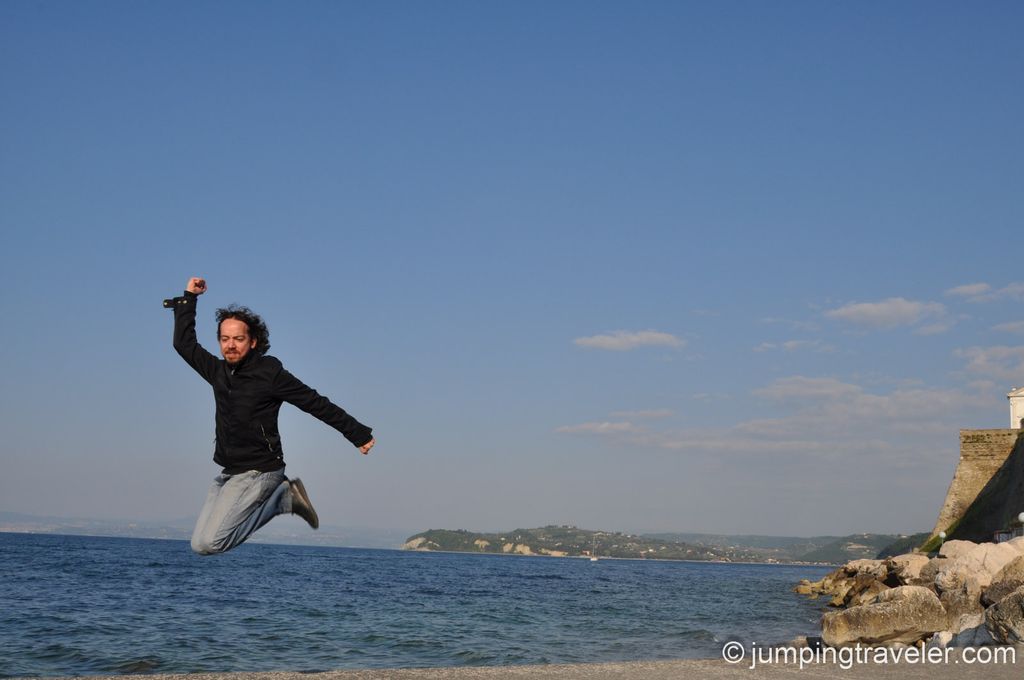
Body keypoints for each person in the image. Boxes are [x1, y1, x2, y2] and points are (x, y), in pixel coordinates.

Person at [168, 276, 375, 555]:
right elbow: (184, 345)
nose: (231, 345)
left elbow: (314, 402)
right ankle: (282, 500)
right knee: (198, 546)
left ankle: (284, 500)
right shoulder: (218, 372)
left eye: (238, 339)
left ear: (252, 341)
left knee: (210, 542)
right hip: (228, 472)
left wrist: (356, 433)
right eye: (225, 339)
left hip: (261, 470)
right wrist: (188, 299)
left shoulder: (270, 374)